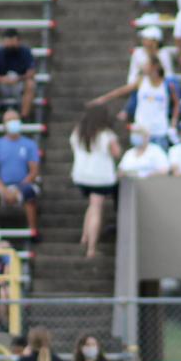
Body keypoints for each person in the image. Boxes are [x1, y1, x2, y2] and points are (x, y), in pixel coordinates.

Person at [70, 104, 120, 259]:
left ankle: (85, 237)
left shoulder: (78, 132)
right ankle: (91, 248)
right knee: (96, 207)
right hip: (100, 177)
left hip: (81, 175)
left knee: (92, 205)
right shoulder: (106, 134)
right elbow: (116, 153)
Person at [0, 111, 41, 230]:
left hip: (23, 184)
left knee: (29, 193)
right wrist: (4, 190)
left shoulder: (29, 144)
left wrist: (18, 188)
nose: (13, 123)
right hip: (2, 185)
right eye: (9, 120)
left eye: (15, 119)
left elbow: (34, 171)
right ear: (4, 124)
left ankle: (33, 230)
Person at [0, 28, 37, 119]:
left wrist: (19, 78)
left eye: (12, 42)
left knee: (30, 84)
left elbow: (32, 72)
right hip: (3, 85)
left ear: (18, 41)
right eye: (7, 42)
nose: (9, 45)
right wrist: (2, 79)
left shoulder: (25, 52)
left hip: (19, 84)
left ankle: (24, 116)